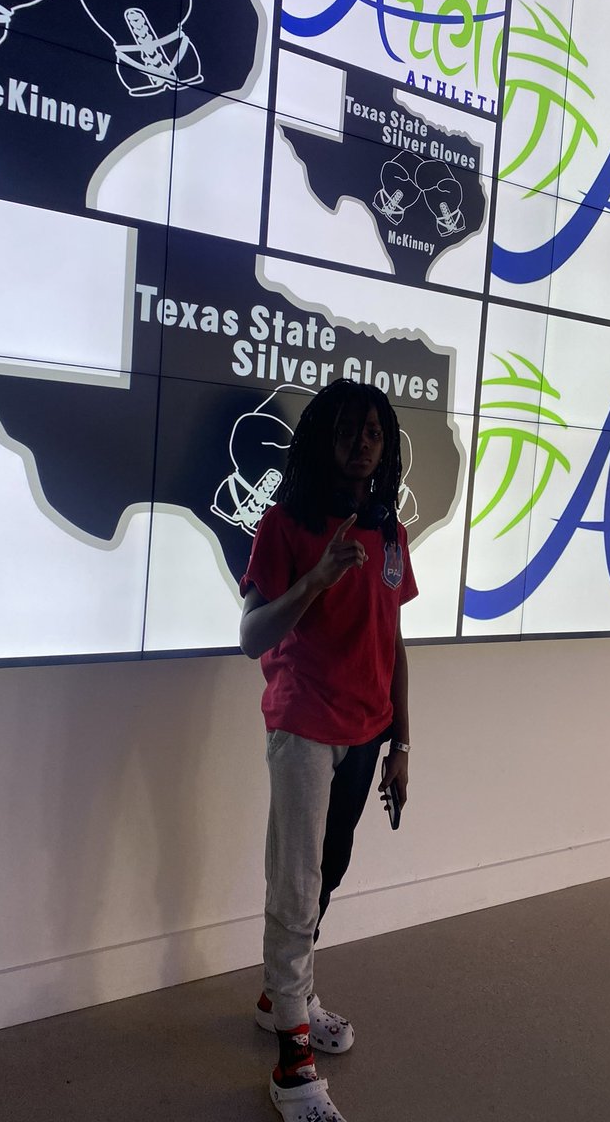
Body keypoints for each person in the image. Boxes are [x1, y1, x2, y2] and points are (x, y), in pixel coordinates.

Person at [239, 379, 417, 1122]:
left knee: (327, 873)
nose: (364, 441)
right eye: (350, 429)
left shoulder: (388, 530)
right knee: (296, 884)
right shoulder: (285, 525)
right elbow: (252, 637)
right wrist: (314, 579)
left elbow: (394, 639)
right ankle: (293, 1066)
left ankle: (278, 996)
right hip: (306, 727)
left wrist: (401, 740)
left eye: (375, 429)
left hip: (367, 729)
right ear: (324, 439)